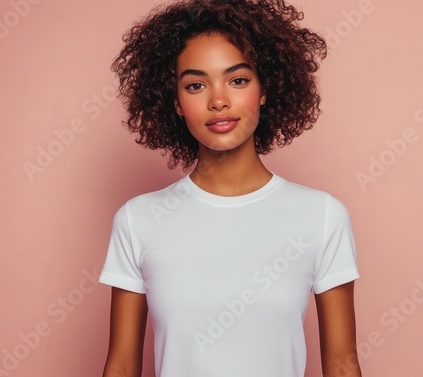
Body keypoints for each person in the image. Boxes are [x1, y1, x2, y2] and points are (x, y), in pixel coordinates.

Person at [99, 0, 362, 376]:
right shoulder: (137, 220)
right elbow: (122, 365)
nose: (218, 100)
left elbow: (341, 362)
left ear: (265, 88)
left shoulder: (321, 216)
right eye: (195, 85)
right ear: (175, 102)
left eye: (237, 80)